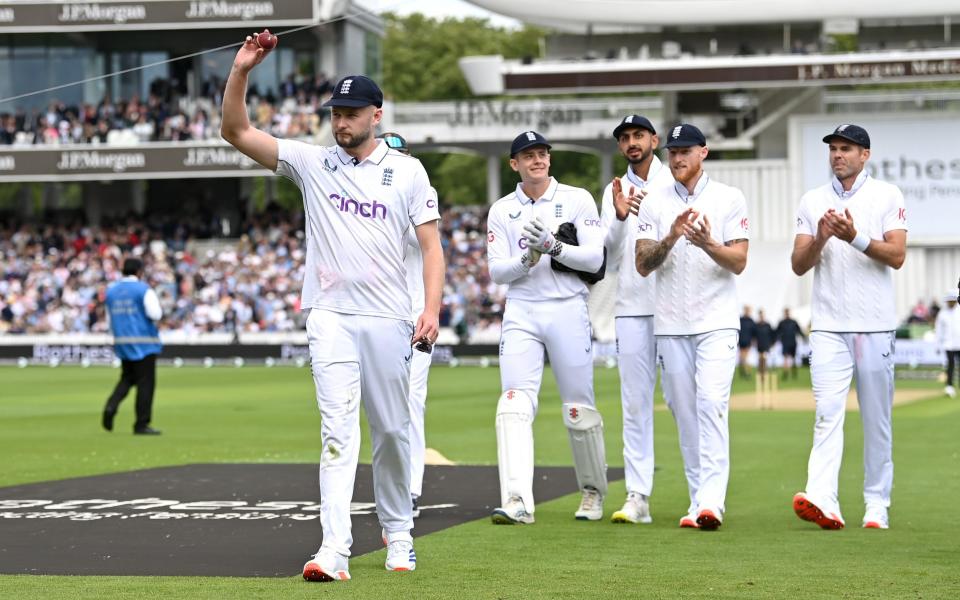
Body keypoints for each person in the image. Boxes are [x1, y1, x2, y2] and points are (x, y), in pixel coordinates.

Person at [221, 34, 444, 581]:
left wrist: (431, 309)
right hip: (330, 317)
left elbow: (432, 246)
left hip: (390, 317)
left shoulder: (407, 172)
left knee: (392, 431)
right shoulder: (312, 163)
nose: (340, 123)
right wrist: (241, 71)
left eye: (349, 114)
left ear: (376, 113)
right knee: (338, 431)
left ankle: (398, 532)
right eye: (335, 114)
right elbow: (236, 131)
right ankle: (334, 550)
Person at [486, 130, 607, 525]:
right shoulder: (502, 209)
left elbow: (593, 259)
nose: (537, 160)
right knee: (514, 403)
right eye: (528, 155)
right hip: (522, 309)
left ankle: (592, 492)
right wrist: (528, 258)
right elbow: (496, 271)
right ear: (514, 164)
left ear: (549, 159)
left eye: (542, 153)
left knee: (578, 408)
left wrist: (555, 248)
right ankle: (518, 499)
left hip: (567, 307)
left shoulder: (576, 198)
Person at [791, 124, 907, 531]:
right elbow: (799, 264)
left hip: (874, 325)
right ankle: (824, 499)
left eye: (846, 148)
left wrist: (855, 237)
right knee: (826, 412)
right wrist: (822, 237)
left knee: (876, 419)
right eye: (833, 149)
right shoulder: (813, 200)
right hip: (827, 325)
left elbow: (896, 255)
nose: (838, 155)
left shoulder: (886, 195)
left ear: (865, 155)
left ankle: (877, 503)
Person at [634, 123, 750, 531]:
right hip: (670, 323)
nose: (677, 157)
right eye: (672, 151)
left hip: (717, 320)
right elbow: (643, 264)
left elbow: (738, 262)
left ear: (704, 152)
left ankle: (711, 503)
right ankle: (698, 497)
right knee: (685, 414)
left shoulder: (729, 198)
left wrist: (707, 244)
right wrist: (671, 236)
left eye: (685, 150)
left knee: (711, 405)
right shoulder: (654, 201)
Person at [599, 115, 672, 525]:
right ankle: (637, 495)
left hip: (676, 308)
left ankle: (703, 496)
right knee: (635, 404)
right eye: (625, 138)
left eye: (638, 135)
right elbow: (605, 256)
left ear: (653, 140)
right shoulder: (613, 191)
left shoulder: (674, 181)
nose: (632, 143)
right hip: (630, 305)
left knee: (684, 402)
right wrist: (620, 217)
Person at [378, 131, 438, 517]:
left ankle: (410, 487)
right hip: (376, 313)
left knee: (411, 403)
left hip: (414, 316)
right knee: (376, 409)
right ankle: (384, 484)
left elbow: (426, 245)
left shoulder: (417, 190)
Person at [102, 256, 163, 435]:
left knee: (127, 378)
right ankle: (141, 424)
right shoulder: (143, 289)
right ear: (139, 271)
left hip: (121, 341)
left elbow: (108, 318)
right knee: (146, 383)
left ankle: (111, 405)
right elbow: (155, 314)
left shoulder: (112, 291)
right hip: (144, 342)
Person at [935, 290, 960, 398]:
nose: (951, 303)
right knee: (950, 365)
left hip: (959, 342)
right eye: (949, 301)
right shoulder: (942, 313)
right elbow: (938, 330)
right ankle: (949, 386)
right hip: (948, 343)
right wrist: (938, 344)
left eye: (953, 301)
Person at [775, 308, 805, 379]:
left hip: (793, 343)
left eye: (788, 312)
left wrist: (804, 337)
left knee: (793, 358)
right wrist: (775, 340)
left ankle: (794, 372)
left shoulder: (794, 322)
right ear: (784, 313)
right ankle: (785, 373)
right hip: (785, 343)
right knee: (785, 358)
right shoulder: (781, 323)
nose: (787, 313)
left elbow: (799, 331)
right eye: (786, 312)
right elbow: (777, 332)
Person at [754, 309, 774, 382]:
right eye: (760, 315)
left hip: (766, 345)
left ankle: (764, 373)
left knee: (764, 359)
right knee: (760, 360)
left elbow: (772, 335)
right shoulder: (756, 325)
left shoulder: (768, 325)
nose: (762, 317)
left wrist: (772, 343)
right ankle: (760, 373)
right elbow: (754, 335)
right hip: (759, 345)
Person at [738, 306, 757, 379]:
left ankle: (746, 372)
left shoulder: (751, 321)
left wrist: (754, 341)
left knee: (744, 357)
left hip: (748, 341)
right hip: (741, 341)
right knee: (741, 358)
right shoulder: (741, 320)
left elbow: (754, 332)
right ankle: (744, 371)